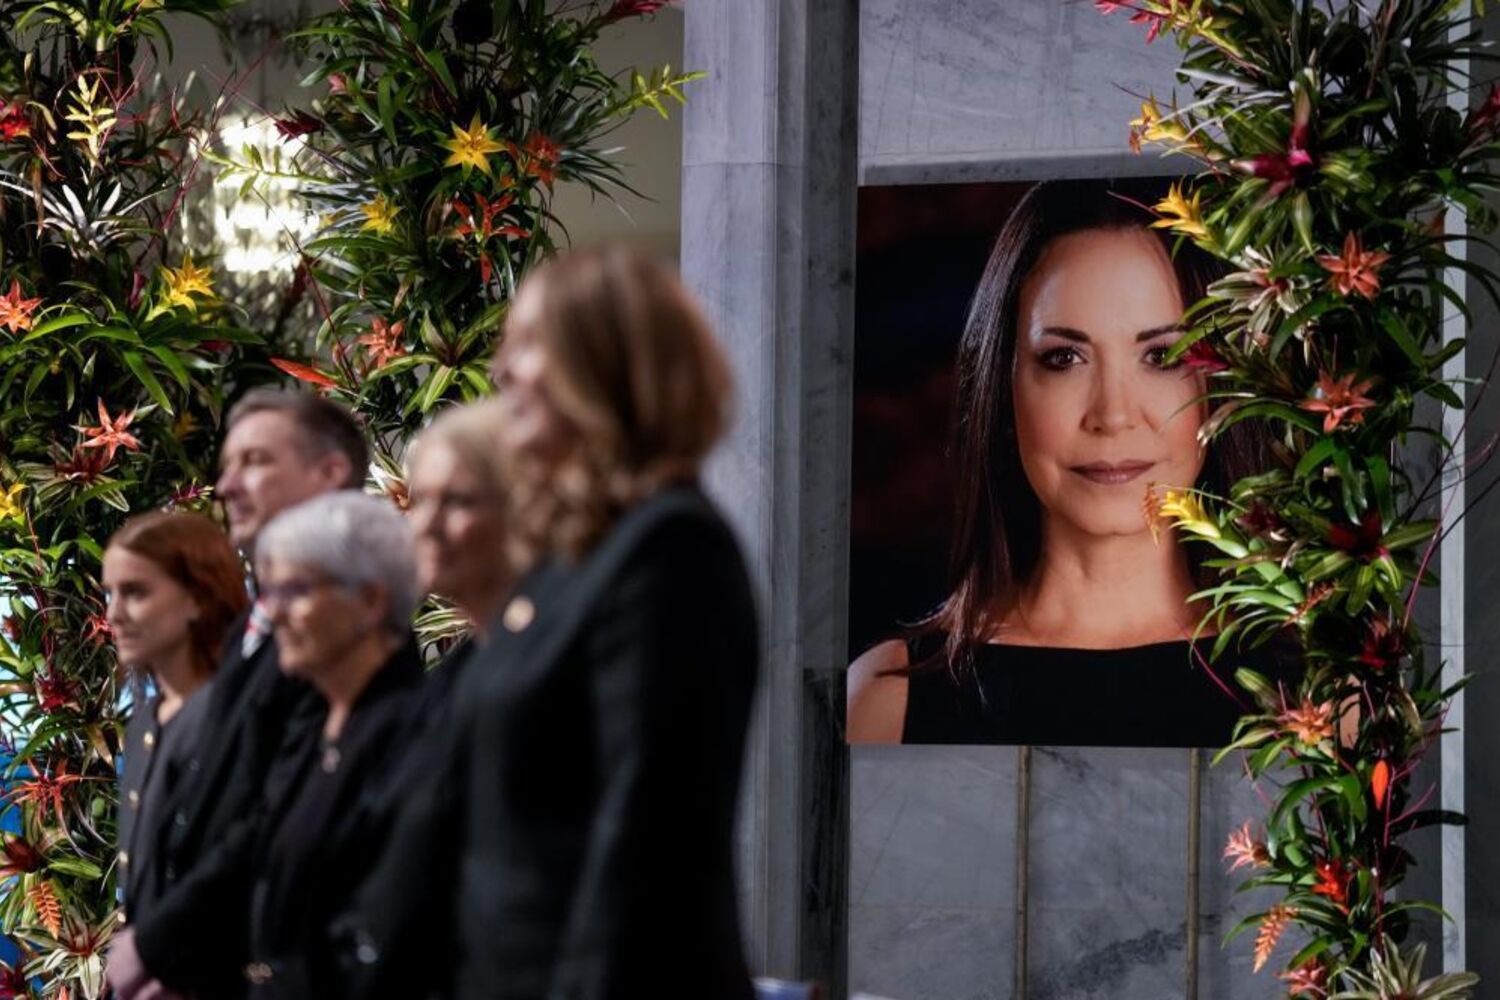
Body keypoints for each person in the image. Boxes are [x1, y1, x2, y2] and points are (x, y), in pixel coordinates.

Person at [338, 244, 759, 1000]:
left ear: (609, 364)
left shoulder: (670, 549)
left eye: (529, 344)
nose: (502, 371)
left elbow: (648, 847)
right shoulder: (571, 566)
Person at [847, 178, 1290, 747]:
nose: (1113, 414)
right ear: (1003, 388)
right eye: (1064, 358)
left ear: (1224, 386)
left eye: (1163, 356)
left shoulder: (1318, 702)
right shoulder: (887, 703)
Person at [108, 388, 369, 1000]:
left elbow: (279, 816)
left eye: (255, 461)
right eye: (227, 466)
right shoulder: (252, 633)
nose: (225, 487)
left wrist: (161, 948)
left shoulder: (346, 623)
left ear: (330, 473)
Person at [238, 491, 426, 998]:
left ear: (371, 601)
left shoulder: (413, 731)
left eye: (296, 590)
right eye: (270, 592)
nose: (274, 613)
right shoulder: (313, 727)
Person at [106, 511, 249, 916]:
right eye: (109, 594)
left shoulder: (234, 717)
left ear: (197, 597)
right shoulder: (145, 718)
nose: (114, 614)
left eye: (135, 592)